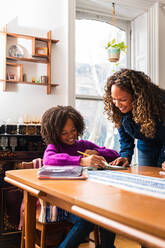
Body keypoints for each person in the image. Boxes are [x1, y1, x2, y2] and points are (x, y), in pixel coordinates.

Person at [41, 105, 119, 248]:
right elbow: (48, 160)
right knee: (86, 220)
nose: (70, 136)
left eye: (73, 130)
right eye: (64, 133)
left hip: (86, 200)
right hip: (61, 204)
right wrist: (81, 160)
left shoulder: (82, 145)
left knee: (109, 214)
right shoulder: (54, 147)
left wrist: (96, 152)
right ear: (54, 133)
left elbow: (115, 154)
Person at [104, 68, 165, 168]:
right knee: (148, 176)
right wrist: (125, 156)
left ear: (137, 97)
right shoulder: (119, 110)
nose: (118, 105)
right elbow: (125, 139)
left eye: (123, 100)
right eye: (114, 99)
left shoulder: (160, 103)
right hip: (146, 144)